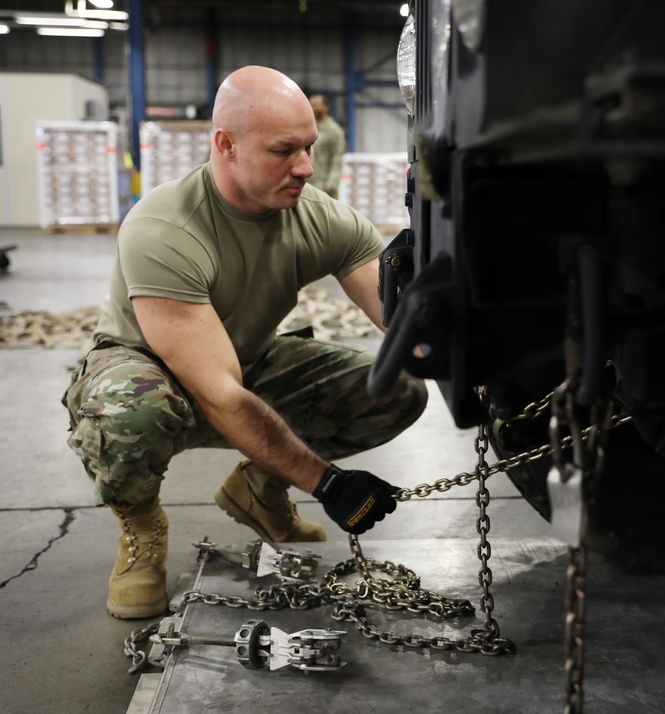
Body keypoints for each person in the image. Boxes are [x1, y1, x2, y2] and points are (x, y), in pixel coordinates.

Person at [62, 65, 427, 620]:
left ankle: (260, 489)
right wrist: (325, 482)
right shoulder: (166, 227)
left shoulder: (318, 217)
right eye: (284, 150)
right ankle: (140, 527)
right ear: (225, 145)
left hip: (245, 363)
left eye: (309, 147)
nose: (305, 167)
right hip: (156, 377)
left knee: (397, 386)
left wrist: (474, 366)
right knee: (129, 409)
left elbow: (402, 325)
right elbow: (220, 395)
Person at [307, 94, 347, 199]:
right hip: (306, 182)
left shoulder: (334, 131)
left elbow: (337, 160)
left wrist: (331, 185)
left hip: (322, 184)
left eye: (316, 104)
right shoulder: (307, 128)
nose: (313, 107)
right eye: (311, 104)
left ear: (326, 107)